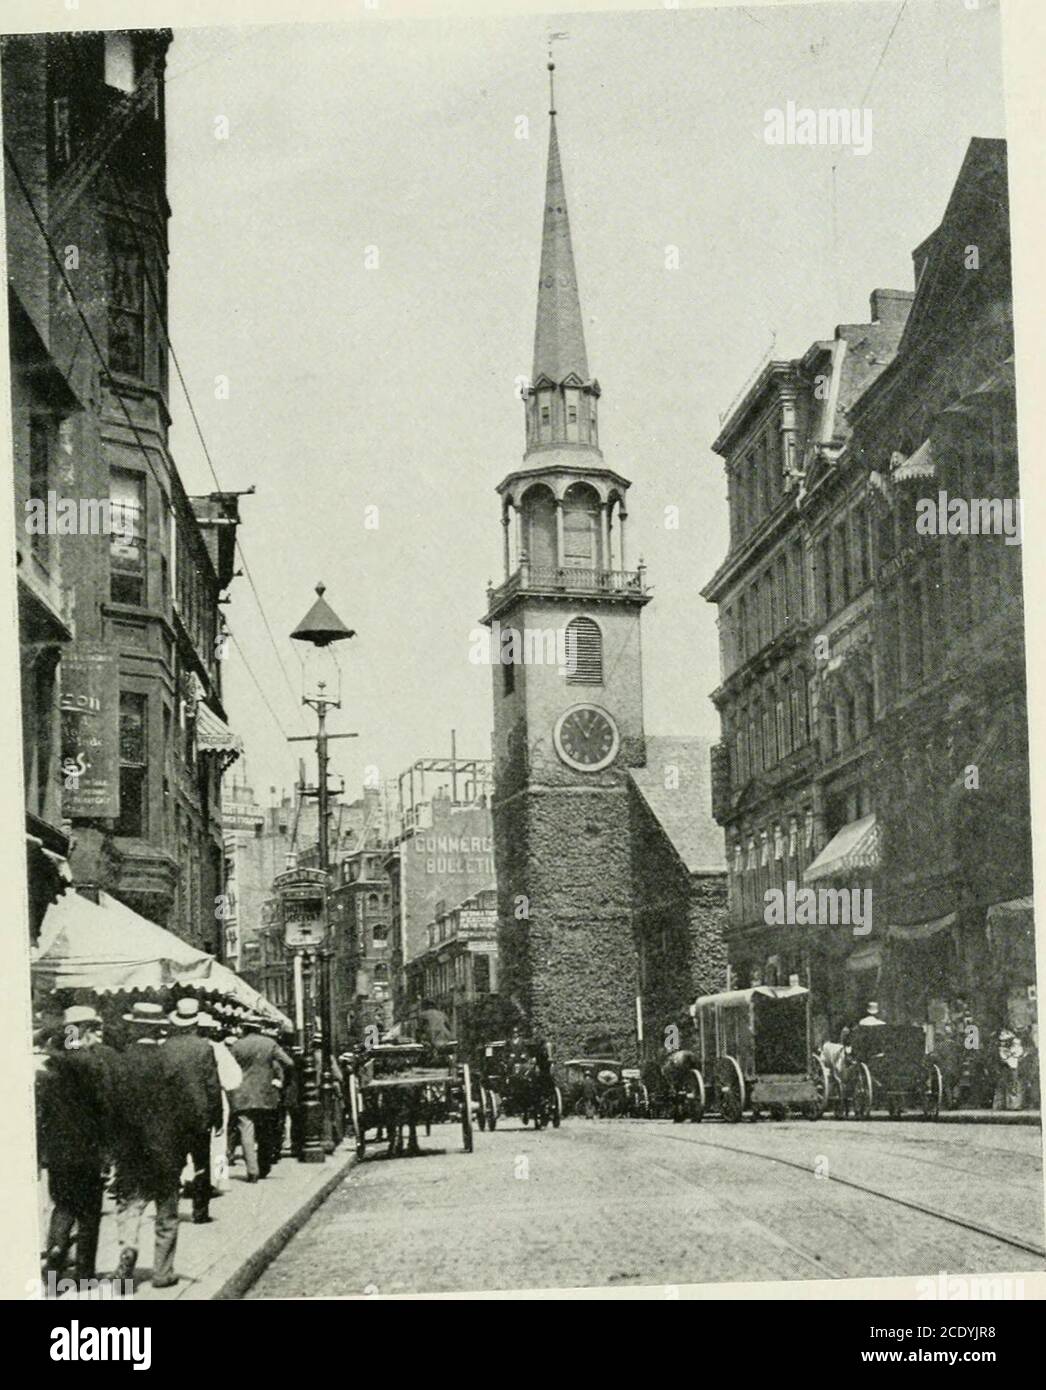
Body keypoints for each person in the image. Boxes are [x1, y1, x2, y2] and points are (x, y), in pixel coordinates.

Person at [36, 1004, 118, 1285]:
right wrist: (109, 1151)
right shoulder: (94, 1064)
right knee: (88, 1214)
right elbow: (106, 1109)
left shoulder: (50, 1064)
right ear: (84, 1029)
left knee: (63, 1206)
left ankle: (56, 1254)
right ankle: (84, 1274)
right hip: (89, 1150)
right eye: (92, 1027)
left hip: (58, 1151)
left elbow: (41, 1113)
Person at [112, 1002, 184, 1288]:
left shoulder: (121, 1061)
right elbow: (184, 1107)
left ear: (134, 1027)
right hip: (166, 1149)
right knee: (167, 1213)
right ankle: (162, 1272)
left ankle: (128, 1247)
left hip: (131, 1148)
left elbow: (112, 1107)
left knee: (131, 1206)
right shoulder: (170, 1060)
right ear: (159, 1028)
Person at [163, 997, 222, 1223]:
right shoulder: (204, 1048)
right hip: (199, 1116)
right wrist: (216, 1117)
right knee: (201, 1163)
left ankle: (169, 1209)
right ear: (196, 1022)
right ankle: (200, 1211)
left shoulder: (166, 1048)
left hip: (172, 1116)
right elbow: (212, 1084)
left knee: (173, 1163)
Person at [229, 1014, 294, 1181]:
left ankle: (252, 1171)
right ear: (260, 1028)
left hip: (242, 1094)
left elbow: (228, 1067)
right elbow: (289, 1062)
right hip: (266, 1095)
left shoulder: (237, 1045)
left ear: (245, 1028)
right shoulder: (269, 1044)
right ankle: (264, 1166)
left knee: (246, 1131)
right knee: (265, 1132)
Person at [198, 1012, 243, 1194]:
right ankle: (219, 1180)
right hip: (216, 1099)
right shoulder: (218, 1049)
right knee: (218, 1142)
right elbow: (233, 1079)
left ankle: (190, 1178)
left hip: (189, 1100)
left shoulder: (182, 1048)